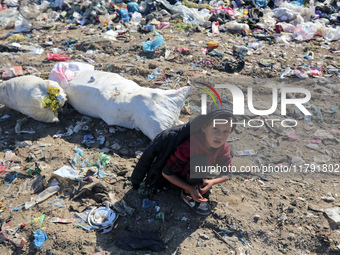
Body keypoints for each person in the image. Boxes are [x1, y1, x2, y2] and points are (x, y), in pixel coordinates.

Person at [131, 100, 236, 215]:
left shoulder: (223, 147)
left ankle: (196, 185)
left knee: (219, 156)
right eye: (215, 129)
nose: (220, 136)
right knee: (200, 163)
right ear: (204, 127)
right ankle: (187, 195)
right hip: (177, 176)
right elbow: (167, 173)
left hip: (195, 172)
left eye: (226, 131)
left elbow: (227, 174)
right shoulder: (190, 146)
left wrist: (211, 182)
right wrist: (190, 189)